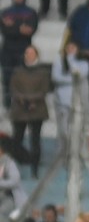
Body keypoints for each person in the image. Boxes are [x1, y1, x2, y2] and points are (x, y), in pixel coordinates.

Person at [10, 45, 51, 175]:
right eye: (27, 53)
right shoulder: (17, 71)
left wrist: (32, 101)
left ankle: (35, 169)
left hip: (37, 110)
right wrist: (22, 100)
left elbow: (44, 90)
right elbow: (13, 88)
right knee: (17, 140)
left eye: (32, 53)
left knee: (35, 141)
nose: (29, 55)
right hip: (19, 109)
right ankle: (15, 168)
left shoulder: (43, 72)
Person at [0, 0, 38, 110]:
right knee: (7, 79)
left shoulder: (31, 12)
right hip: (7, 52)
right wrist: (20, 27)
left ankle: (23, 105)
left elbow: (30, 30)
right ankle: (7, 105)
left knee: (24, 79)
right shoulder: (5, 12)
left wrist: (12, 25)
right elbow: (5, 30)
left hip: (24, 51)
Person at [52, 40, 89, 137]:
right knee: (63, 130)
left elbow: (81, 76)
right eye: (68, 48)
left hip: (78, 100)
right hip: (62, 100)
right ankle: (62, 151)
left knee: (78, 130)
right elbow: (56, 77)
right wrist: (72, 78)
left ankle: (76, 151)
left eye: (73, 48)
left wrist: (71, 61)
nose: (70, 50)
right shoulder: (59, 62)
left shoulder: (83, 63)